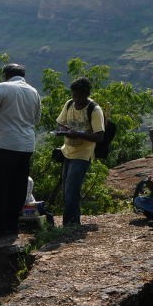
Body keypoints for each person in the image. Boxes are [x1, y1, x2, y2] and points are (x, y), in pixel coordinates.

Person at [0, 63, 41, 236]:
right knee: (18, 186)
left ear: (6, 75)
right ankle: (12, 226)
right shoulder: (33, 91)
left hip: (4, 144)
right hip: (26, 145)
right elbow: (36, 119)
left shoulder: (3, 88)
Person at [55, 77, 105, 227]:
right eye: (73, 95)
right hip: (67, 151)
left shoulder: (94, 110)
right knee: (66, 190)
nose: (75, 99)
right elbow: (60, 122)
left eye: (78, 96)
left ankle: (70, 224)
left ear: (86, 94)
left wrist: (78, 134)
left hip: (83, 154)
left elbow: (99, 136)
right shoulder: (69, 104)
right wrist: (65, 131)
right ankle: (72, 220)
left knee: (72, 189)